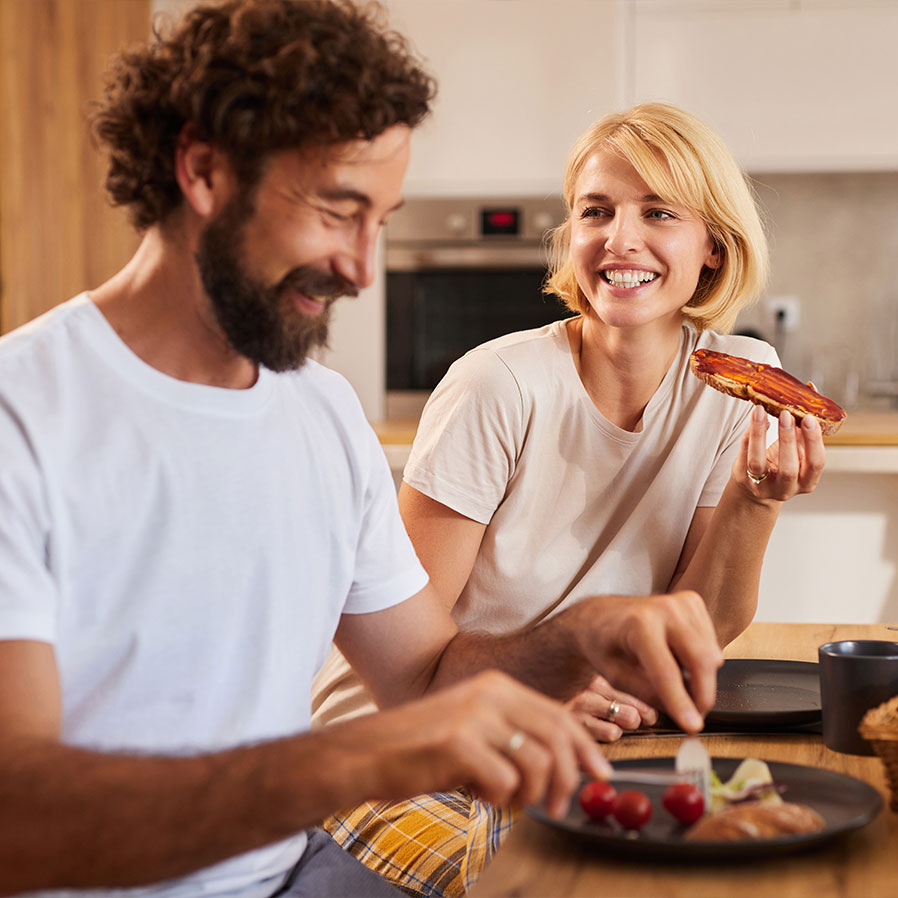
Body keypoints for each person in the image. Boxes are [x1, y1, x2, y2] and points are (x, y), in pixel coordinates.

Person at [0, 6, 727, 897]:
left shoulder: (319, 412)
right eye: (339, 212)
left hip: (287, 870)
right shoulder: (23, 418)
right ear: (203, 171)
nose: (362, 269)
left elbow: (422, 679)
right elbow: (17, 820)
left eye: (380, 222)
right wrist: (350, 761)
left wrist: (581, 636)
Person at [312, 102, 827, 896]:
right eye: (597, 211)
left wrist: (755, 500)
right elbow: (408, 669)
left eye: (658, 211)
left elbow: (701, 623)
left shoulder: (737, 380)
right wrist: (553, 693)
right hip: (396, 748)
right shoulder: (498, 387)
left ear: (713, 247)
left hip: (565, 732)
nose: (620, 238)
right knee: (516, 884)